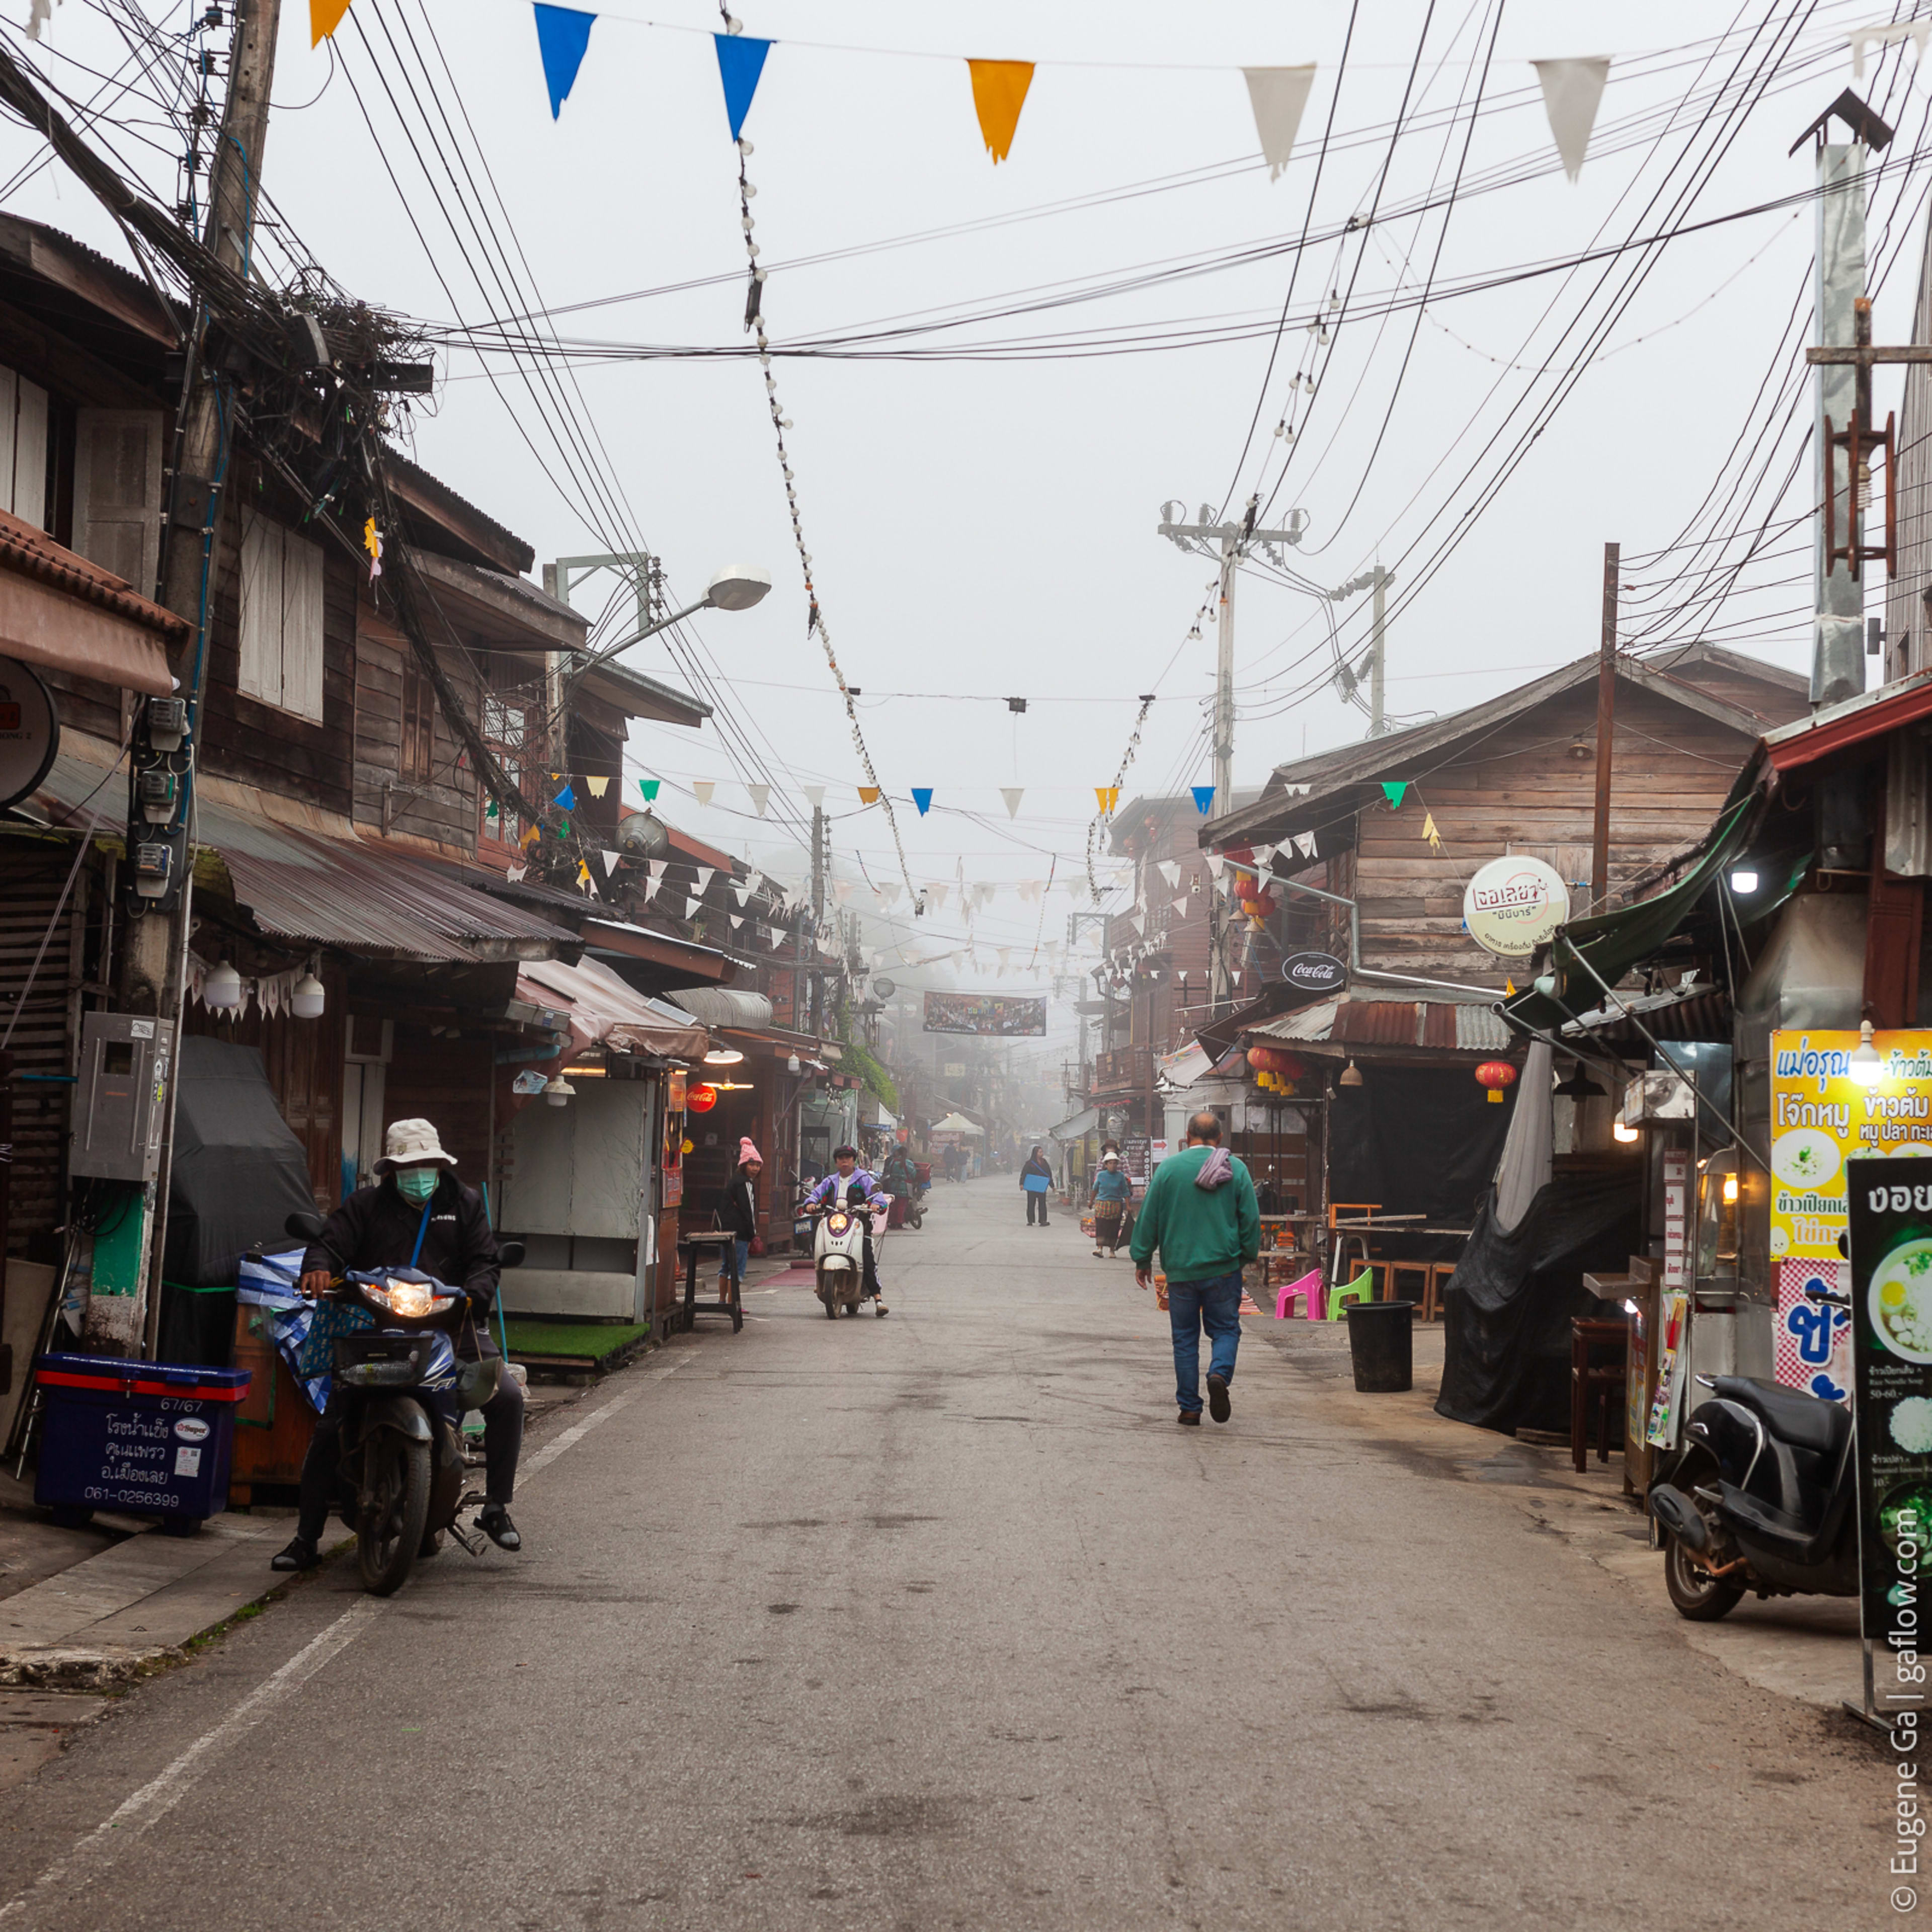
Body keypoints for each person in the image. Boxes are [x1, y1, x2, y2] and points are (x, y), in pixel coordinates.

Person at [273, 1118, 524, 1571]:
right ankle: (305, 1538)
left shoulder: (463, 1204)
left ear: (439, 1164)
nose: (420, 1173)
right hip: (376, 1326)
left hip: (453, 1326)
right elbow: (330, 1244)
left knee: (506, 1397)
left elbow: (486, 1261)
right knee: (332, 1424)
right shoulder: (366, 1205)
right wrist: (317, 1265)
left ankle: (496, 1507)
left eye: (427, 1164)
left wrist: (474, 1294)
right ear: (391, 1170)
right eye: (409, 1166)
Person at [1132, 1111, 1260, 1427]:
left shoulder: (1169, 1170)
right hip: (1223, 1269)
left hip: (1181, 1272)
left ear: (1187, 1138)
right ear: (1219, 1139)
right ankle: (1218, 1374)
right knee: (1226, 1330)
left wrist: (1142, 1258)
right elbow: (1250, 1219)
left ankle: (1190, 1409)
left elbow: (1150, 1217)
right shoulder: (1235, 1168)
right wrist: (1245, 1255)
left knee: (1185, 1339)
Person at [805, 1145, 891, 1313]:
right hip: (835, 1224)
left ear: (854, 1161)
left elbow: (877, 1197)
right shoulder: (830, 1181)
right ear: (836, 1162)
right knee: (818, 1244)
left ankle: (878, 1298)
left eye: (848, 1158)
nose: (845, 1161)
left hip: (860, 1226)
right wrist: (810, 1204)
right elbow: (816, 1194)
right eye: (841, 1159)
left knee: (866, 1257)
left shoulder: (864, 1179)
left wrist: (876, 1205)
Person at [717, 1138, 762, 1291]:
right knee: (737, 1269)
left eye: (757, 1165)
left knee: (726, 1267)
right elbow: (748, 1210)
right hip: (741, 1234)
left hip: (726, 1231)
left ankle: (723, 1302)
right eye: (752, 1165)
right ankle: (734, 1305)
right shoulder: (746, 1184)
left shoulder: (732, 1182)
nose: (755, 1169)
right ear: (743, 1165)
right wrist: (753, 1234)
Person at [1090, 1151, 1133, 1259]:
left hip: (1116, 1204)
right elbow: (1095, 1190)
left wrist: (1128, 1206)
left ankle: (1112, 1250)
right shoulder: (1101, 1176)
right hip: (1102, 1204)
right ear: (1106, 1164)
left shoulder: (1120, 1176)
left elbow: (1125, 1192)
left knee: (1114, 1227)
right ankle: (1100, 1249)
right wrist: (1091, 1202)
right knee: (1101, 1226)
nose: (1113, 1165)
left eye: (1115, 1163)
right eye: (1110, 1163)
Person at [1021, 1145, 1053, 1226]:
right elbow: (1024, 1174)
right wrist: (1021, 1184)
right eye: (1040, 1152)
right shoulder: (1029, 1163)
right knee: (1031, 1203)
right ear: (1036, 1153)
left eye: (1042, 1152)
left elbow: (1049, 1174)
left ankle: (1043, 1220)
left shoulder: (1044, 1162)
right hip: (1032, 1185)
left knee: (1042, 1203)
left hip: (1042, 1185)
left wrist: (1052, 1185)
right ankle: (1030, 1220)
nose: (1042, 1154)